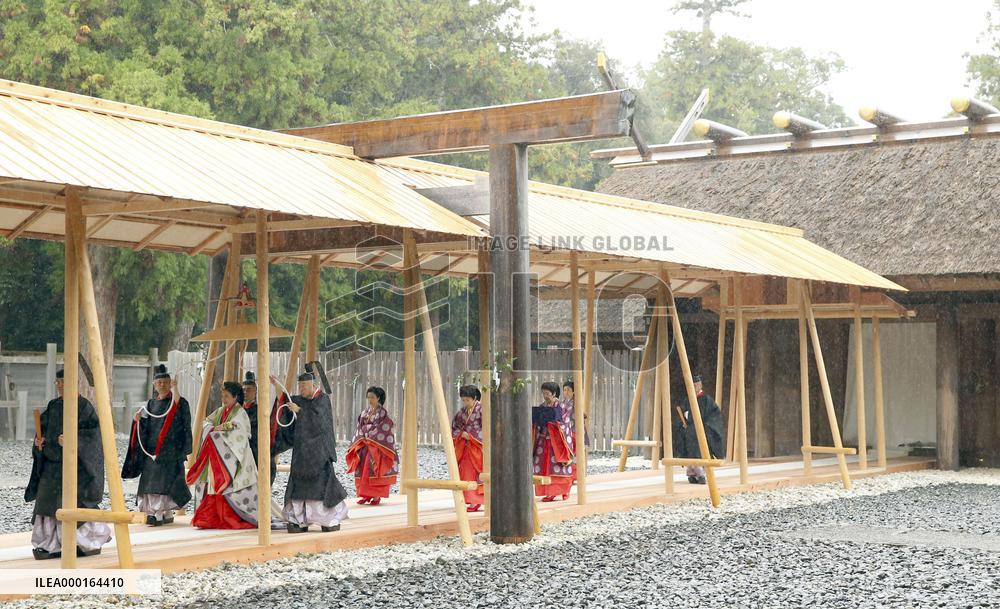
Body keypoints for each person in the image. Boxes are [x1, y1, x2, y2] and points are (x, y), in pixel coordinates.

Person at [24, 369, 111, 560]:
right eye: (58, 382)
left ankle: (87, 543)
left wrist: (74, 440)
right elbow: (42, 432)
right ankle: (48, 545)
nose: (60, 385)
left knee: (73, 503)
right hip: (52, 464)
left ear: (74, 383)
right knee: (46, 504)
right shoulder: (53, 406)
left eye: (64, 381)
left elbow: (94, 437)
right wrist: (39, 443)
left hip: (76, 465)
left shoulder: (84, 407)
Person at [269, 369, 348, 533]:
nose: (302, 389)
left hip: (319, 451)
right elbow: (284, 399)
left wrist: (299, 411)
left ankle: (328, 519)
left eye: (305, 386)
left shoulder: (323, 400)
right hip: (301, 450)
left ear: (313, 384)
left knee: (320, 486)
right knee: (298, 486)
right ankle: (298, 520)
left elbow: (320, 422)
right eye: (300, 386)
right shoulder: (299, 400)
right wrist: (277, 385)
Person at [121, 364, 192, 525]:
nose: (162, 385)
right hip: (152, 451)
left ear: (170, 383)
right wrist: (138, 422)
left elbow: (181, 415)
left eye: (166, 382)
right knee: (150, 482)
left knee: (165, 483)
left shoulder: (178, 402)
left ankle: (162, 512)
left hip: (170, 451)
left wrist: (176, 390)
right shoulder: (151, 404)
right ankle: (155, 512)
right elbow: (149, 426)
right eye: (159, 382)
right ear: (154, 384)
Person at [186, 381, 260, 529]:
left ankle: (230, 517)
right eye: (223, 395)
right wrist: (213, 429)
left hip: (235, 458)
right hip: (216, 457)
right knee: (213, 485)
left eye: (227, 396)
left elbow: (241, 432)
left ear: (235, 397)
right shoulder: (220, 411)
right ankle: (211, 518)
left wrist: (219, 431)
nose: (223, 399)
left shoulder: (240, 413)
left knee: (229, 485)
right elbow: (206, 421)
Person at [346, 386, 399, 506]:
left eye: (372, 397)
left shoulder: (382, 413)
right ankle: (365, 495)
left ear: (378, 398)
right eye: (368, 397)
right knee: (362, 470)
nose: (370, 400)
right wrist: (362, 437)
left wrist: (369, 435)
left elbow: (385, 428)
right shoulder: (365, 412)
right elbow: (359, 427)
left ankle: (375, 496)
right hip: (364, 444)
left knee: (373, 470)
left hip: (376, 445)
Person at [671, 374, 726, 484]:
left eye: (696, 384)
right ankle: (691, 472)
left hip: (702, 430)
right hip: (689, 430)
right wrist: (683, 422)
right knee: (688, 448)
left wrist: (705, 425)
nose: (695, 386)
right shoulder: (688, 399)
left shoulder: (706, 400)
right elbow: (683, 413)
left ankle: (700, 474)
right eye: (692, 385)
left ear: (700, 385)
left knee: (700, 450)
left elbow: (713, 415)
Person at [531, 381, 574, 502]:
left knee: (558, 466)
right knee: (545, 467)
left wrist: (553, 424)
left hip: (557, 442)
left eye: (547, 393)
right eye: (543, 393)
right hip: (544, 440)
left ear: (554, 393)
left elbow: (564, 424)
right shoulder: (542, 406)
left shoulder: (561, 406)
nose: (545, 396)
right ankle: (550, 492)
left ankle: (565, 489)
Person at [241, 372, 284, 485]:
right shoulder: (238, 411)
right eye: (244, 390)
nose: (246, 392)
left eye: (249, 389)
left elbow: (278, 410)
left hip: (259, 454)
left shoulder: (262, 411)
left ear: (255, 391)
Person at [451, 385, 485, 512]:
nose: (465, 403)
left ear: (475, 398)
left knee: (475, 473)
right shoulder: (462, 412)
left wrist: (471, 436)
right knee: (465, 472)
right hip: (465, 447)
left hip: (477, 447)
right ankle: (469, 499)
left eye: (467, 400)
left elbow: (487, 428)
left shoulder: (482, 410)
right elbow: (455, 426)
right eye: (463, 400)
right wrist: (460, 434)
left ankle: (475, 500)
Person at [560, 380, 590, 486]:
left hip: (577, 432)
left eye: (568, 390)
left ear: (573, 392)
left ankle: (578, 476)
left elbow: (583, 415)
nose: (566, 392)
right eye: (564, 390)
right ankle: (570, 476)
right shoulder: (562, 403)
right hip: (566, 432)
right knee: (569, 455)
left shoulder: (577, 403)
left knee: (578, 455)